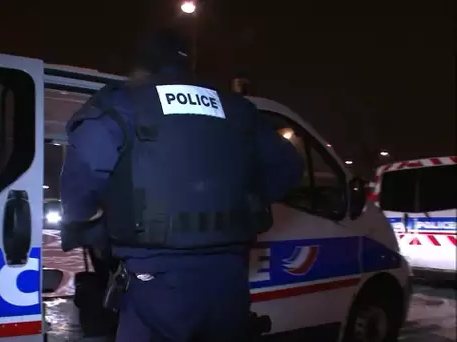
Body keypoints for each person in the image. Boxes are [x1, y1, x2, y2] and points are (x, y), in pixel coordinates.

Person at [60, 28, 304, 342]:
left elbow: (83, 178)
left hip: (155, 281)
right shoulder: (236, 108)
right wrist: (246, 201)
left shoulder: (124, 105)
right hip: (229, 279)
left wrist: (91, 227)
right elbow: (288, 166)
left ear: (142, 64)